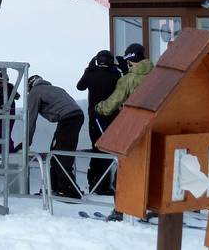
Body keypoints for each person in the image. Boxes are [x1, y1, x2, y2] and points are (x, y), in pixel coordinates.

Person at [95, 43, 154, 221]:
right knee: (150, 168)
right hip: (155, 129)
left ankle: (120, 210)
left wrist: (99, 108)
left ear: (129, 60)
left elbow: (112, 103)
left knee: (124, 170)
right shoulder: (157, 75)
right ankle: (151, 207)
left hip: (133, 130)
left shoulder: (129, 79)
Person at [27, 75, 85, 199]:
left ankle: (68, 190)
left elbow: (30, 119)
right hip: (75, 116)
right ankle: (55, 187)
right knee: (56, 151)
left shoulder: (34, 92)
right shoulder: (56, 88)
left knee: (60, 154)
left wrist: (26, 141)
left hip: (67, 119)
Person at [76, 50, 121, 195]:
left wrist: (88, 69)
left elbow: (80, 86)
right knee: (107, 149)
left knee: (96, 148)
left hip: (94, 117)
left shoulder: (92, 73)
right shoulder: (115, 74)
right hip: (111, 117)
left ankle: (94, 182)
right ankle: (102, 185)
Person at [0, 71, 20, 154]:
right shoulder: (8, 90)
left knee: (2, 136)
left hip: (4, 117)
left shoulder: (5, 91)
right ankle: (6, 153)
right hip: (5, 117)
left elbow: (3, 104)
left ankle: (3, 154)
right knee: (4, 135)